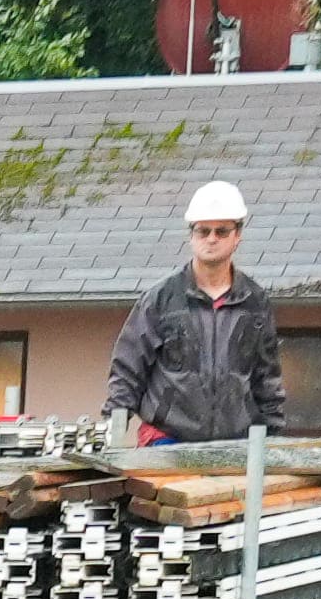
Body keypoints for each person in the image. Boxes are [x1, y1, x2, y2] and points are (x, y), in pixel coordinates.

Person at [109, 183, 285, 443]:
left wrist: (273, 437)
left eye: (221, 231)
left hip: (236, 443)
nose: (211, 239)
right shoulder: (161, 299)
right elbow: (127, 369)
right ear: (191, 235)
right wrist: (113, 430)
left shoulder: (255, 302)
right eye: (203, 230)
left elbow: (267, 377)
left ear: (237, 235)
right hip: (166, 439)